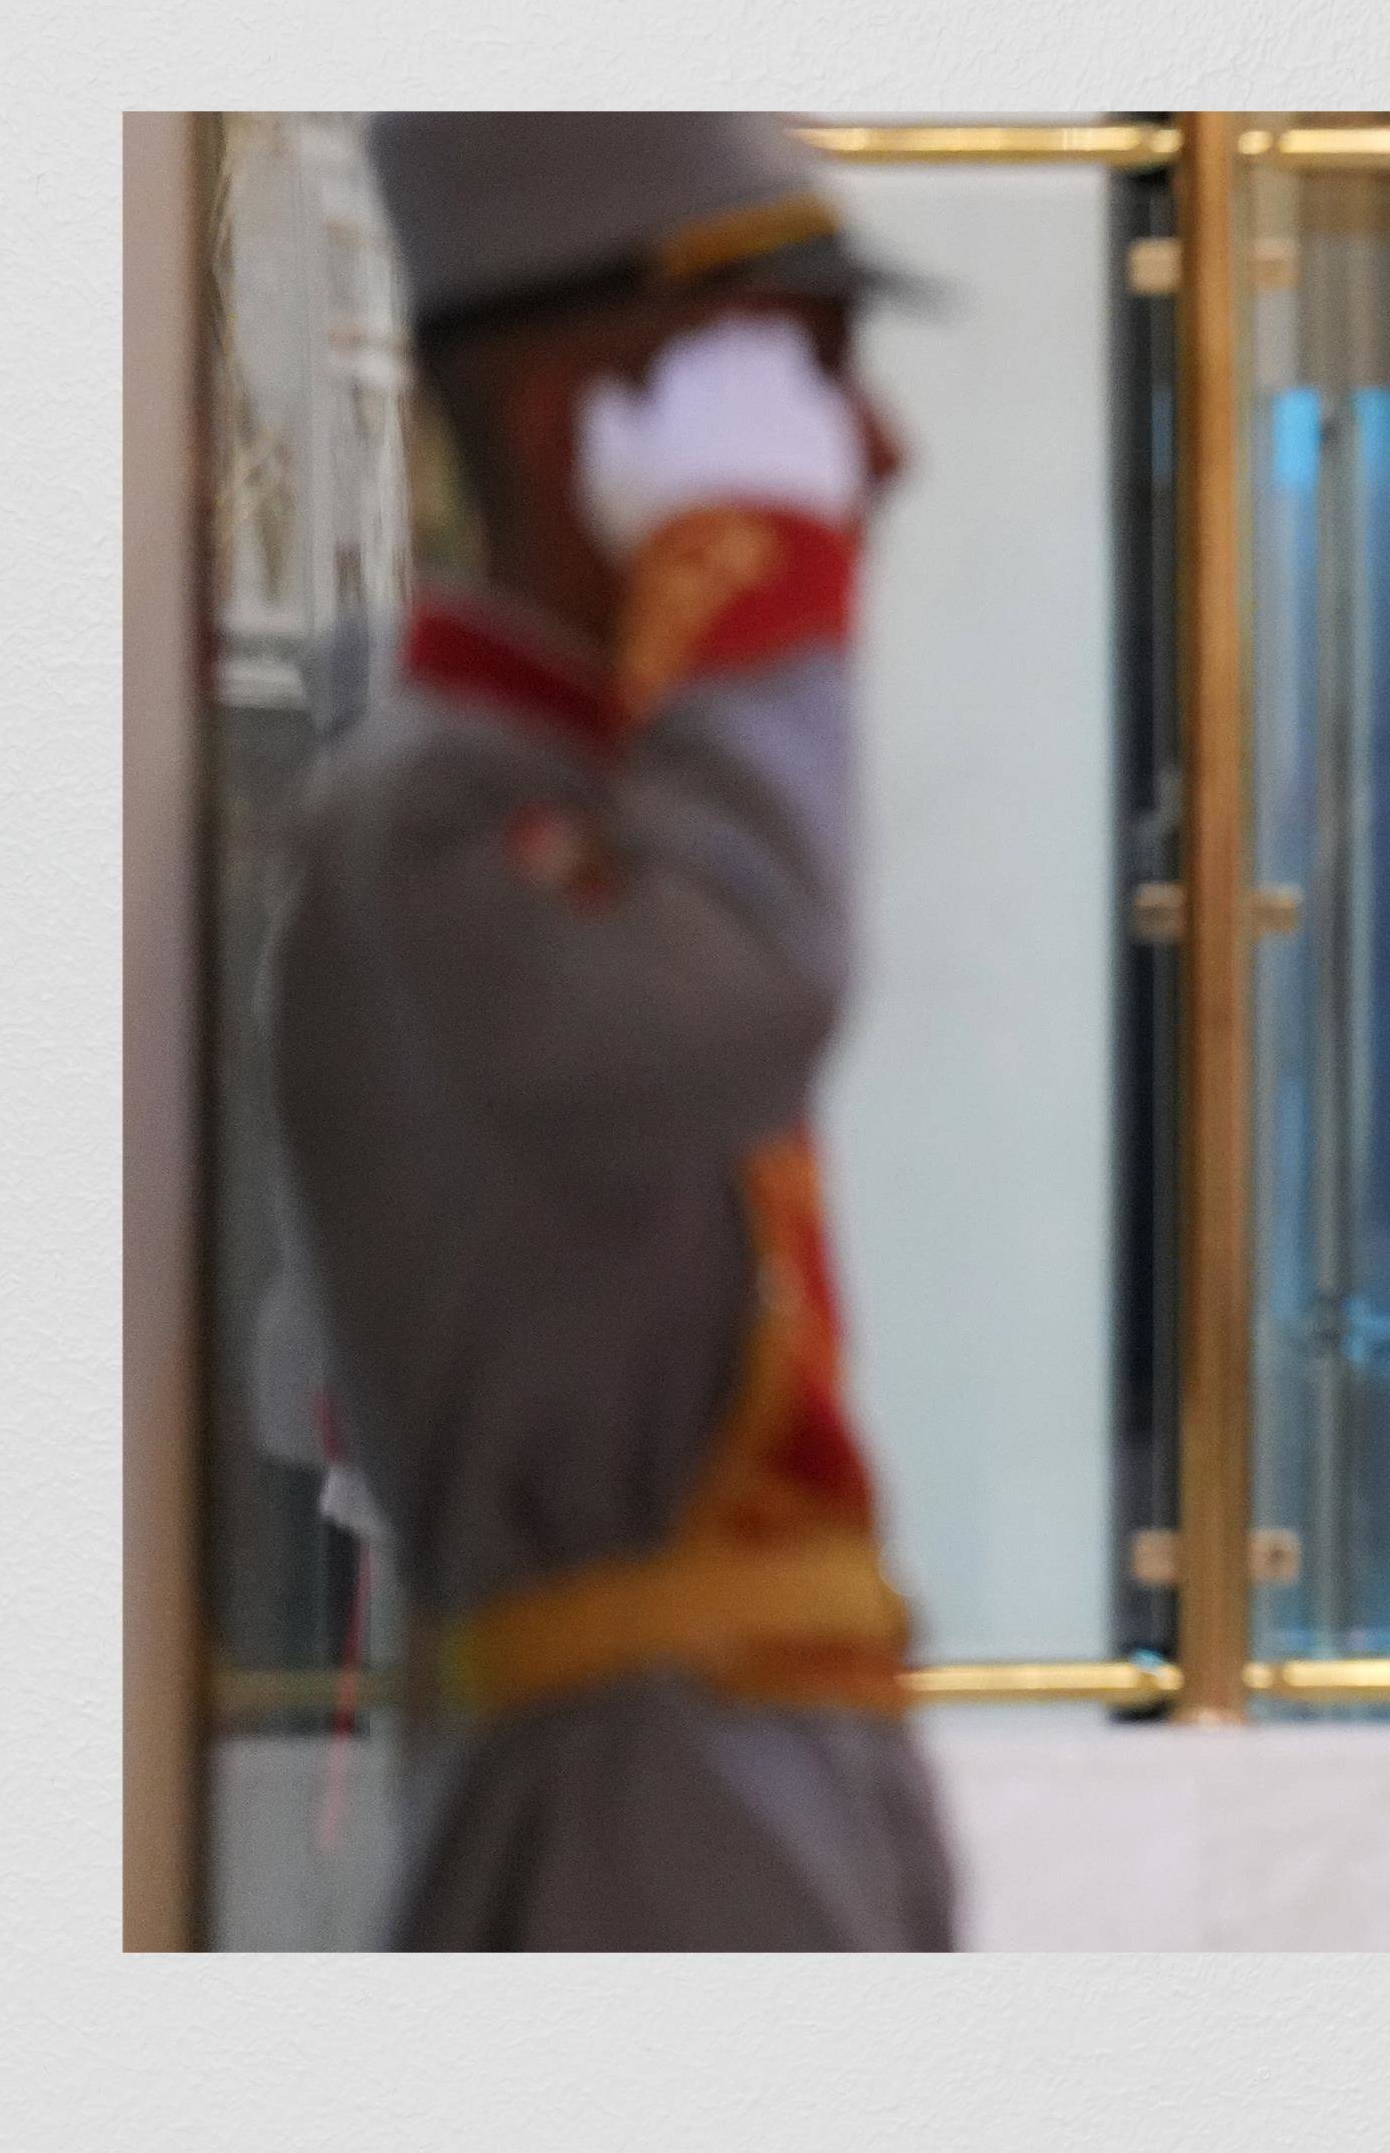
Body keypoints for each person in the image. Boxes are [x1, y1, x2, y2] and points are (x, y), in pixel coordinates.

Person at [269, 112, 952, 1947]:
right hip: (626, 1837)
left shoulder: (606, 819)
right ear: (581, 415)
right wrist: (757, 579)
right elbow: (742, 1004)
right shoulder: (429, 824)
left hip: (752, 1795)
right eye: (803, 378)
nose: (875, 455)